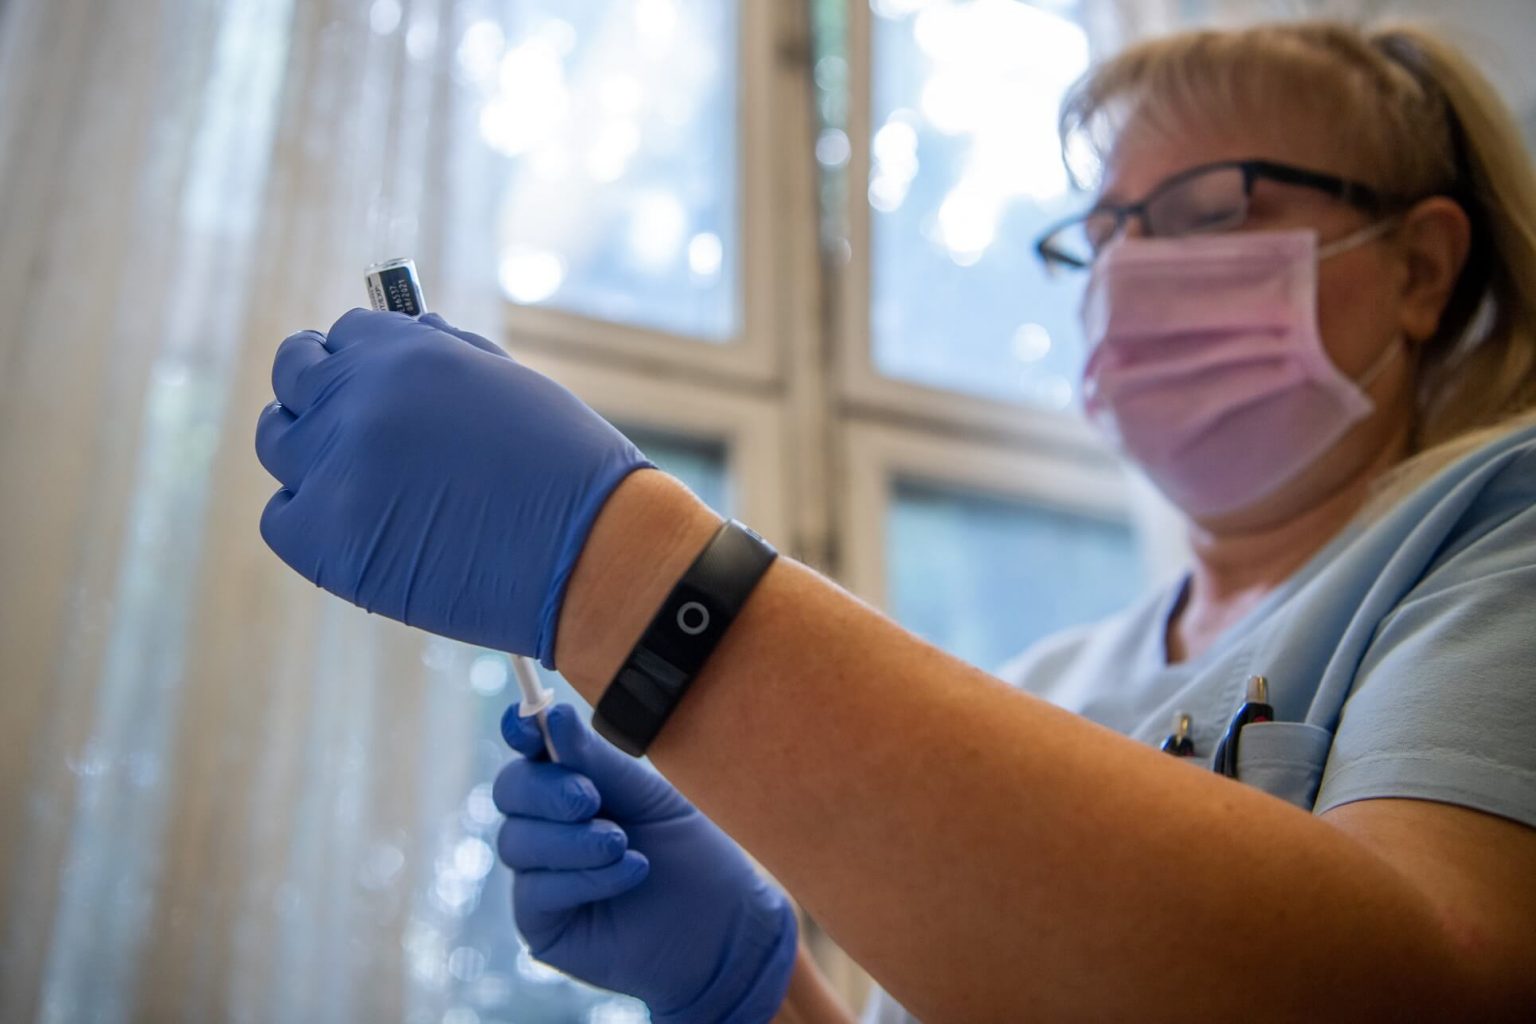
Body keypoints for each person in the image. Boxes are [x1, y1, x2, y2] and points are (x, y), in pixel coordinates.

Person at [254, 18, 1536, 1022]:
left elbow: (1430, 988)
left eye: (1208, 211)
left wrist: (627, 580)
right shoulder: (1051, 682)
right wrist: (750, 989)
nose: (1131, 270)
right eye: (1102, 233)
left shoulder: (1499, 534)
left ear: (1421, 268)